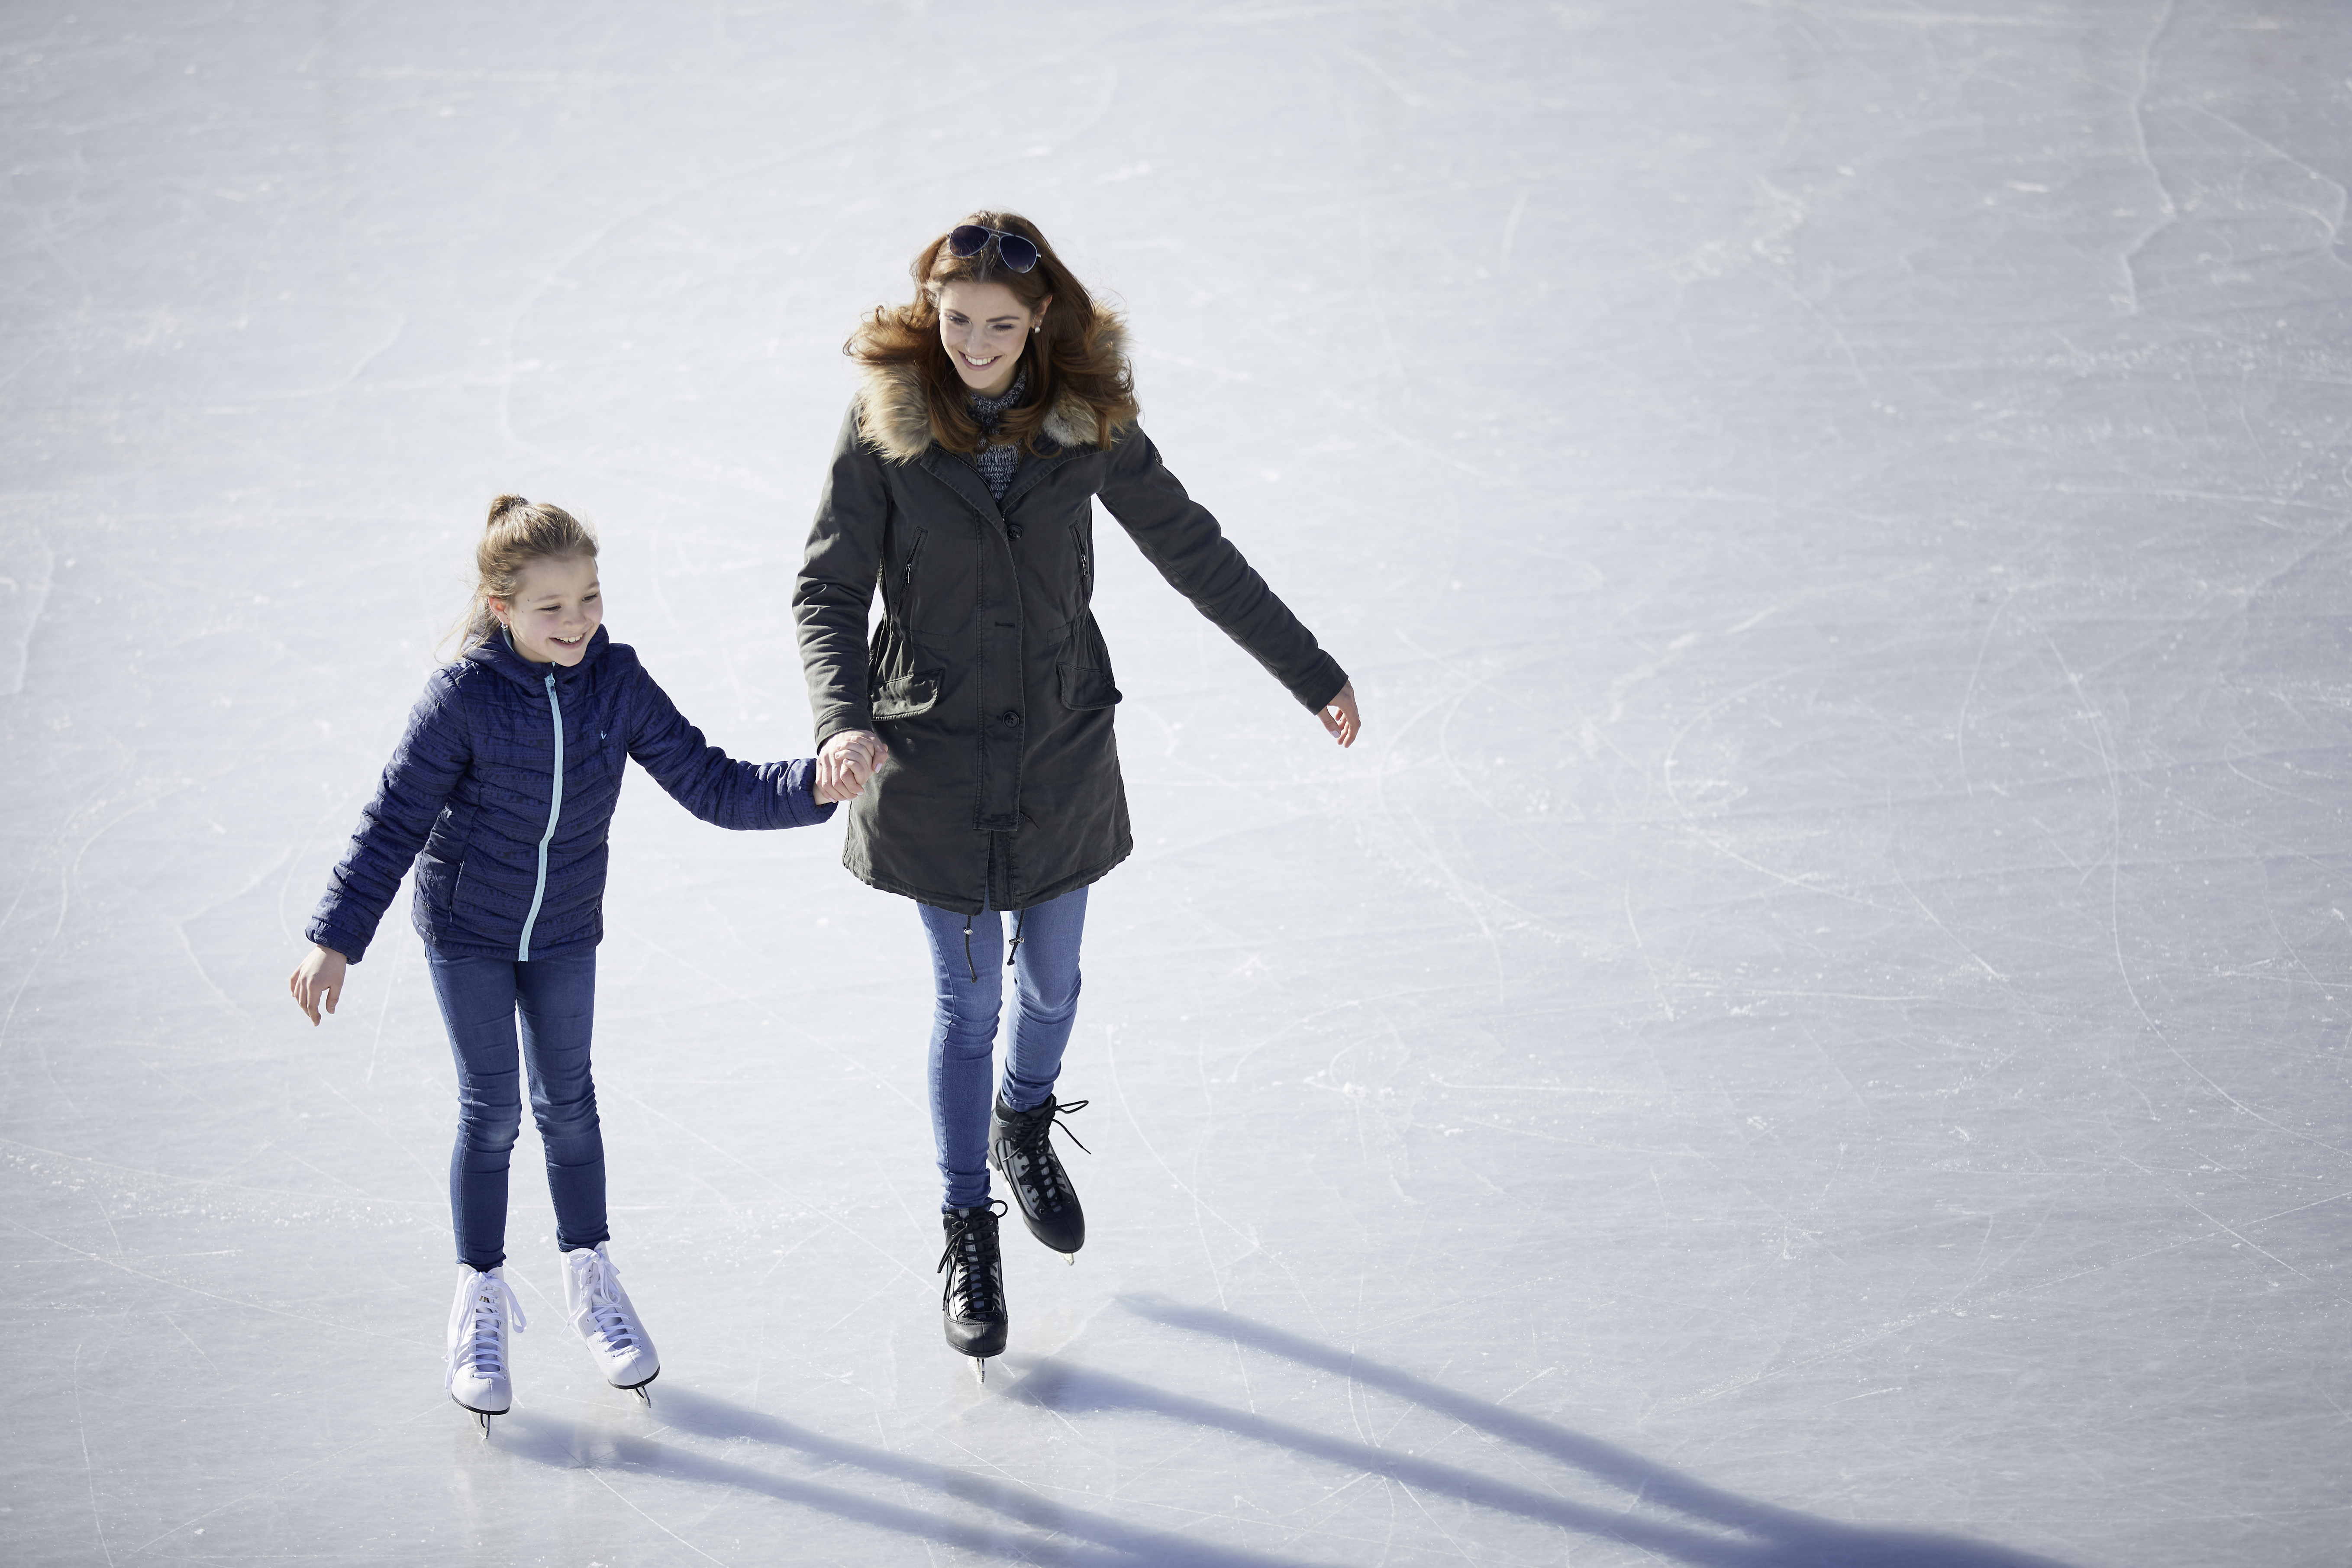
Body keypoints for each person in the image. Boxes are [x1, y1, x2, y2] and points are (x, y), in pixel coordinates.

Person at [793, 213, 1361, 1376]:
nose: (975, 345)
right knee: (965, 1004)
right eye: (957, 321)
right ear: (931, 311)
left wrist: (1310, 671)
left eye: (1000, 326)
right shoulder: (883, 424)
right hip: (929, 758)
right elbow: (827, 587)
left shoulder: (1087, 421)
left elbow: (1193, 549)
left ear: (1041, 317)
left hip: (1057, 750)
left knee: (1049, 982)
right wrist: (841, 717)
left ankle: (1024, 1114)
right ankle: (967, 1221)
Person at [287, 495, 863, 1435]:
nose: (577, 620)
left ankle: (590, 1272)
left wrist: (813, 785)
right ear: (501, 606)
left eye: (589, 597)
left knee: (569, 1101)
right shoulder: (463, 697)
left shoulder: (615, 681)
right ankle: (479, 1295)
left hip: (561, 929)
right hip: (468, 930)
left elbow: (709, 781)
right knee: (492, 1108)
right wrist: (335, 938)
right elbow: (393, 821)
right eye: (552, 606)